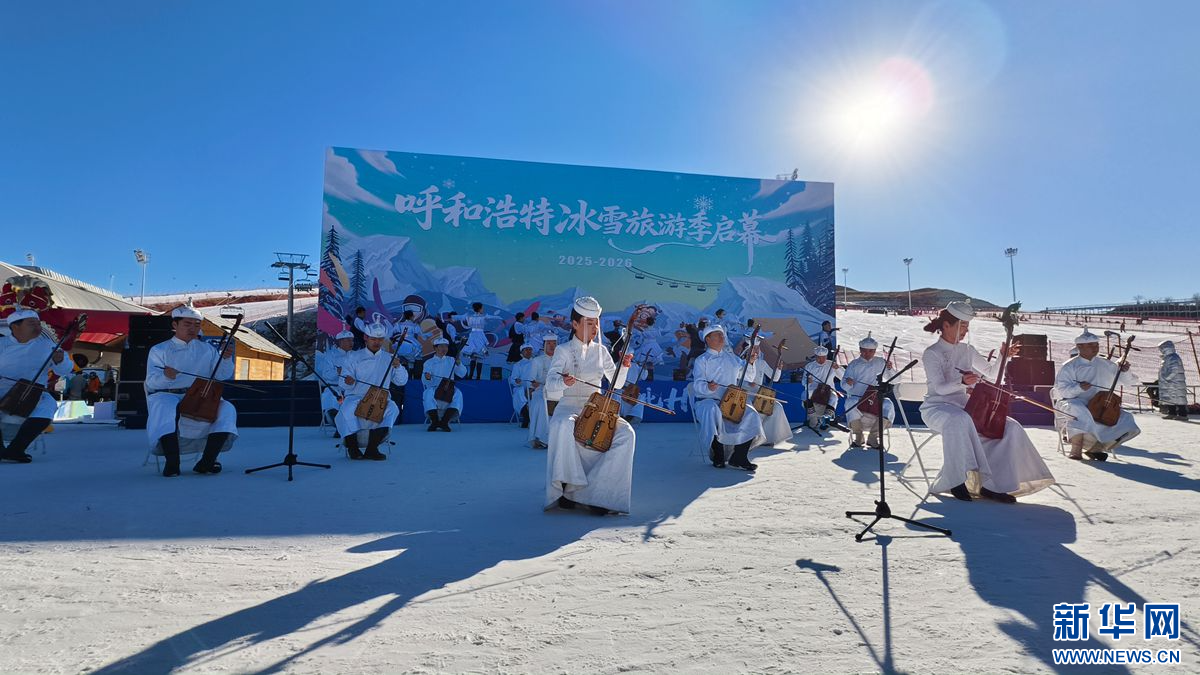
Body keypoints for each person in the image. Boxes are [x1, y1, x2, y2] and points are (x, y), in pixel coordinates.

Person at [920, 301, 1055, 503]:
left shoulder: (967, 350)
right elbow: (939, 388)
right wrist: (961, 381)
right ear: (946, 325)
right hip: (937, 408)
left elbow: (993, 375)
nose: (965, 331)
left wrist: (1003, 356)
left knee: (1010, 427)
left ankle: (993, 484)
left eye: (967, 326)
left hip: (965, 406)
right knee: (959, 421)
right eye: (962, 325)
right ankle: (957, 480)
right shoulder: (932, 353)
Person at [544, 297, 635, 515]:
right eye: (588, 323)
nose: (594, 328)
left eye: (596, 323)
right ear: (574, 324)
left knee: (627, 434)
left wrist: (623, 367)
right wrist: (563, 382)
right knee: (564, 426)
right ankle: (569, 487)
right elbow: (550, 384)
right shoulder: (563, 350)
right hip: (568, 404)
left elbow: (617, 383)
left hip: (595, 406)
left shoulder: (602, 351)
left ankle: (598, 493)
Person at [144, 304, 237, 477]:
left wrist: (225, 359)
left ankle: (207, 461)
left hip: (200, 394)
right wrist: (166, 376)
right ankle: (172, 462)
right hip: (167, 393)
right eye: (187, 324)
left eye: (196, 325)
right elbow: (151, 382)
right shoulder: (159, 350)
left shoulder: (207, 349)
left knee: (227, 409)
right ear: (175, 325)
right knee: (165, 408)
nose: (193, 328)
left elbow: (222, 375)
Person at [1052, 330, 1141, 460]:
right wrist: (1079, 388)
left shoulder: (1106, 364)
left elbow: (1128, 381)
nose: (1095, 348)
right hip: (1074, 402)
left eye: (1096, 345)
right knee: (1080, 410)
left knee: (1126, 418)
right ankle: (1076, 449)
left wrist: (1125, 371)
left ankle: (1098, 447)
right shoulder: (1070, 366)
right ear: (1080, 347)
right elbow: (1061, 391)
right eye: (1091, 345)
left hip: (1102, 404)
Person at [0, 308, 72, 463]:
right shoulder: (2, 344)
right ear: (15, 327)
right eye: (31, 323)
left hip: (34, 391)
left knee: (48, 406)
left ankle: (16, 449)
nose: (37, 326)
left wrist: (60, 360)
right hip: (3, 387)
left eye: (38, 323)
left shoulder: (47, 345)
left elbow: (65, 369)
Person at [691, 324, 766, 471]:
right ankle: (718, 454)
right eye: (717, 334)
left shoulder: (732, 358)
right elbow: (697, 384)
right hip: (708, 400)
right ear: (708, 339)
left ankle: (739, 457)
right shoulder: (702, 360)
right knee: (712, 411)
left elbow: (748, 376)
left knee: (751, 413)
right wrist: (708, 387)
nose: (721, 337)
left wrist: (750, 362)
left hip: (731, 402)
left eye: (722, 334)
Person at [336, 322, 407, 460]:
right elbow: (343, 380)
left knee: (392, 408)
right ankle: (353, 447)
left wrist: (398, 367)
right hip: (356, 397)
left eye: (380, 339)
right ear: (366, 337)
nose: (377, 342)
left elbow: (401, 381)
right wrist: (348, 380)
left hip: (381, 398)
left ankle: (372, 448)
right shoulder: (353, 357)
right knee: (346, 410)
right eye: (373, 339)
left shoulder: (389, 358)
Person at [843, 334, 896, 449]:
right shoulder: (853, 364)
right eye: (865, 351)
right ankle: (858, 437)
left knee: (888, 404)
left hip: (875, 400)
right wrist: (848, 383)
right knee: (850, 402)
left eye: (871, 351)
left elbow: (896, 379)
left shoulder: (881, 362)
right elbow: (844, 385)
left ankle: (873, 436)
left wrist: (890, 369)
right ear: (860, 350)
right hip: (858, 400)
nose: (867, 354)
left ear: (875, 351)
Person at [749, 335, 792, 447]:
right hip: (745, 394)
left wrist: (778, 369)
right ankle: (751, 438)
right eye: (754, 348)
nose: (756, 351)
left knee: (777, 406)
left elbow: (775, 378)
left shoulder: (761, 363)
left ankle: (768, 438)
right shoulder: (739, 361)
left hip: (759, 394)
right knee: (755, 410)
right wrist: (747, 382)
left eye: (758, 349)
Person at [422, 337, 467, 431]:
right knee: (428, 393)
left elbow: (462, 374)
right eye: (441, 346)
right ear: (435, 348)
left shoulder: (451, 360)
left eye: (446, 346)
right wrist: (427, 377)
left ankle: (445, 422)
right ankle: (435, 422)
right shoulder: (429, 362)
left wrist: (459, 364)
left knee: (458, 394)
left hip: (449, 389)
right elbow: (426, 380)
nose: (444, 349)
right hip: (435, 389)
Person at [316, 329, 355, 425]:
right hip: (335, 387)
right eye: (348, 340)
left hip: (353, 388)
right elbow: (326, 374)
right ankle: (336, 422)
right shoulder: (330, 356)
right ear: (341, 342)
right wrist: (337, 372)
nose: (351, 343)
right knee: (332, 398)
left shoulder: (356, 355)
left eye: (352, 340)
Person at [619, 340, 662, 424]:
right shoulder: (617, 365)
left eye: (629, 356)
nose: (627, 357)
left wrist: (644, 368)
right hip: (620, 389)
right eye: (625, 356)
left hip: (632, 390)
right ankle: (617, 416)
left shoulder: (635, 365)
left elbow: (644, 376)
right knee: (616, 395)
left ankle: (631, 417)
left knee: (640, 398)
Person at [527, 334, 557, 449]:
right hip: (541, 391)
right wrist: (534, 383)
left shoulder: (561, 359)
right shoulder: (537, 360)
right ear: (544, 345)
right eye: (549, 343)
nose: (552, 346)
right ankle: (540, 438)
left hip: (560, 391)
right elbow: (531, 381)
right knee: (540, 404)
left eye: (554, 343)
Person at [802, 347, 843, 432]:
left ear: (826, 356)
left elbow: (843, 377)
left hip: (829, 390)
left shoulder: (832, 364)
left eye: (823, 357)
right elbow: (803, 382)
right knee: (804, 395)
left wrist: (838, 368)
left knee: (834, 397)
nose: (821, 359)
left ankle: (826, 420)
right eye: (818, 357)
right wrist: (807, 381)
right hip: (814, 389)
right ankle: (813, 419)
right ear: (815, 356)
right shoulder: (809, 366)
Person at [462, 302, 498, 380]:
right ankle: (478, 376)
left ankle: (471, 375)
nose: (483, 309)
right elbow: (492, 318)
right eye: (482, 308)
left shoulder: (470, 317)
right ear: (479, 309)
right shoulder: (482, 317)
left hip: (473, 336)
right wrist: (500, 318)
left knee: (473, 357)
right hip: (479, 336)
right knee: (480, 357)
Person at [1156, 340, 1190, 420]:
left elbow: (1175, 370)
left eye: (1162, 349)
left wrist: (1167, 378)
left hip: (1174, 383)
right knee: (1170, 398)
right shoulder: (1167, 358)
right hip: (1169, 383)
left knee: (1178, 399)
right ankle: (1171, 413)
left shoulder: (1173, 357)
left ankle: (1182, 415)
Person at [509, 343, 536, 428]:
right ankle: (526, 416)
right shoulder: (518, 365)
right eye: (526, 350)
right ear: (522, 352)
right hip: (522, 387)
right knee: (520, 394)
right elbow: (512, 379)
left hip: (535, 387)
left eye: (530, 349)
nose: (528, 351)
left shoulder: (537, 362)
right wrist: (517, 381)